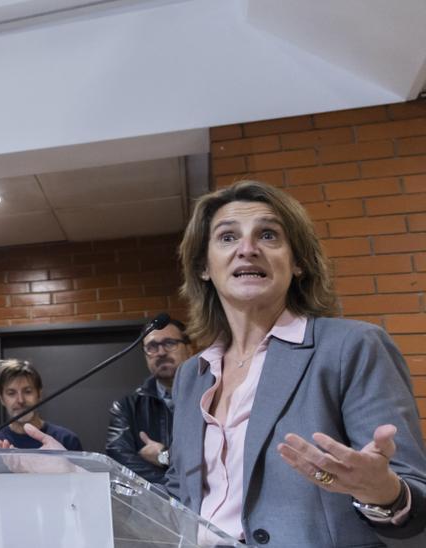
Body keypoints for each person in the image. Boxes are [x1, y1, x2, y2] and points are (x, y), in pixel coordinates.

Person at [164, 180, 426, 545]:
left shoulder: (352, 346)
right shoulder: (193, 373)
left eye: (268, 235)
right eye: (227, 238)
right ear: (204, 267)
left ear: (298, 262)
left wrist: (385, 495)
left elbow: (413, 502)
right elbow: (181, 489)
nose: (247, 249)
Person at [105, 318, 191, 484]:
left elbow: (215, 456)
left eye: (170, 343)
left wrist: (164, 456)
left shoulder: (211, 397)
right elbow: (118, 459)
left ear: (189, 348)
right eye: (152, 347)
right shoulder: (126, 408)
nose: (161, 352)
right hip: (152, 506)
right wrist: (176, 487)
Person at [0, 359, 82, 451]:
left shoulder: (66, 440)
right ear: (2, 399)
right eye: (11, 393)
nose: (20, 400)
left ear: (39, 394)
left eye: (27, 391)